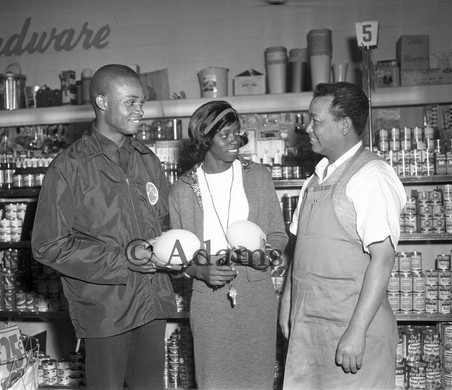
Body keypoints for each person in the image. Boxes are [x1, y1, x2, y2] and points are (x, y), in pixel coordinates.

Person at [31, 64, 176, 390]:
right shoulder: (70, 167)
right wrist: (124, 259)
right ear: (102, 102)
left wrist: (172, 252)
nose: (140, 111)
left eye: (142, 103)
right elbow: (48, 245)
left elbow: (165, 224)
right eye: (131, 102)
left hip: (152, 304)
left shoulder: (147, 160)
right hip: (107, 312)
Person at [279, 82, 406, 389]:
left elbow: (383, 259)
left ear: (345, 124)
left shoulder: (371, 176)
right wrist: (286, 302)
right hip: (310, 333)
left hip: (350, 333)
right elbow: (300, 252)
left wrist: (357, 331)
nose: (308, 128)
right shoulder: (315, 179)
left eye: (316, 121)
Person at [169, 100, 288, 390]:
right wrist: (199, 271)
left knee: (257, 379)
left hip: (257, 295)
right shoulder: (182, 189)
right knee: (213, 380)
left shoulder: (257, 176)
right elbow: (176, 254)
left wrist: (266, 257)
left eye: (237, 132)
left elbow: (277, 234)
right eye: (226, 135)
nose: (236, 141)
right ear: (205, 140)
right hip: (209, 299)